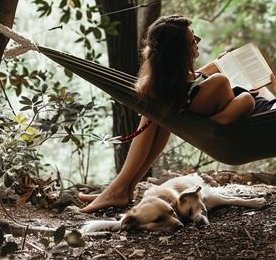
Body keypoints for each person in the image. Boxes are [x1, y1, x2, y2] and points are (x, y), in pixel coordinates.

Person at [79, 0, 276, 213]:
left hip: (250, 123)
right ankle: (123, 188)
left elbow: (271, 113)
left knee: (159, 108)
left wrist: (262, 93)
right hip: (260, 112)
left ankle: (120, 187)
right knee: (160, 111)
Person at [80, 14, 254, 213]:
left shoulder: (159, 84)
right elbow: (205, 89)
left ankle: (121, 188)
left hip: (192, 116)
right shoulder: (216, 83)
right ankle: (119, 189)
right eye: (192, 40)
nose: (198, 41)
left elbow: (188, 83)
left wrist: (209, 68)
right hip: (219, 118)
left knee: (155, 117)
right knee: (244, 97)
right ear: (179, 51)